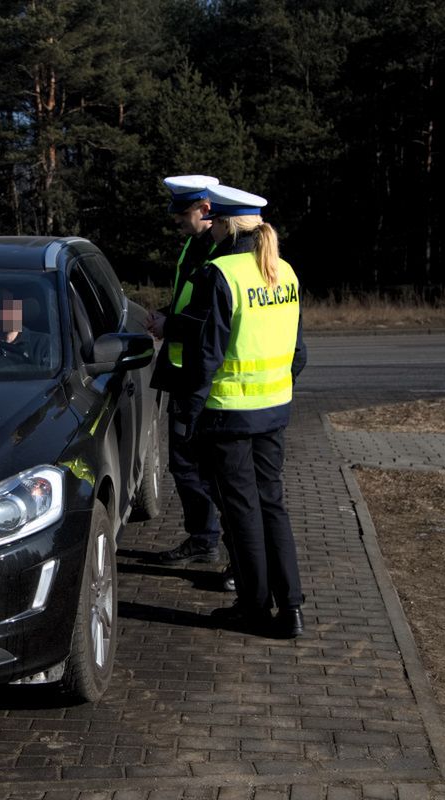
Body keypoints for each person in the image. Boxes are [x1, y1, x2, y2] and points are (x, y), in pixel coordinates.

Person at [175, 182, 307, 637]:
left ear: (226, 222)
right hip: (274, 410)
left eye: (213, 222)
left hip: (228, 414)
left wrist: (190, 416)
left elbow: (205, 357)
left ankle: (253, 607)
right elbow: (299, 354)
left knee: (242, 512)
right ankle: (290, 608)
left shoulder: (220, 273)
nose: (207, 228)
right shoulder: (283, 271)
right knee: (273, 504)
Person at [144, 175, 230, 577]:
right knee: (185, 463)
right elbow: (188, 302)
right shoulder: (198, 245)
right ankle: (204, 539)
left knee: (205, 467)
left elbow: (209, 319)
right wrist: (164, 315)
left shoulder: (221, 252)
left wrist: (170, 325)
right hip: (185, 373)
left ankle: (224, 547)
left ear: (206, 210)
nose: (178, 222)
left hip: (202, 378)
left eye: (183, 214)